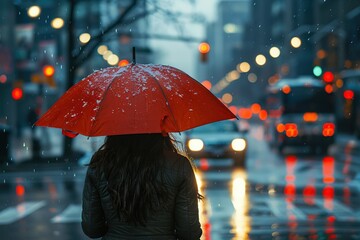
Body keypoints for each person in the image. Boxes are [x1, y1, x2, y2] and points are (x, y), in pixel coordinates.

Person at [81, 133, 203, 239]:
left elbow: (92, 229)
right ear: (160, 129)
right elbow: (189, 233)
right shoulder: (178, 164)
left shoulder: (100, 163)